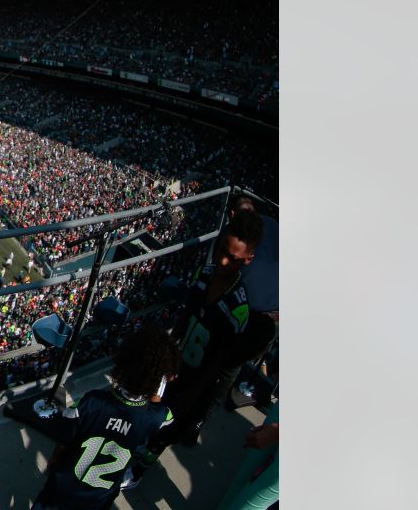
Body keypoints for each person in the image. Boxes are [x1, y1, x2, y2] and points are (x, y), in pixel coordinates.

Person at [129, 210, 275, 483]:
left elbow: (219, 363)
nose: (222, 261)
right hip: (176, 365)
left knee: (167, 429)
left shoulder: (237, 308)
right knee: (151, 415)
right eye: (222, 250)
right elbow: (184, 321)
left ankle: (139, 470)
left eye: (232, 258)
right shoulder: (202, 274)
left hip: (196, 380)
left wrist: (193, 397)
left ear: (248, 260)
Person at [32, 324, 179, 510]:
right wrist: (157, 379)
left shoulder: (91, 402)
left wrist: (54, 461)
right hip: (99, 499)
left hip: (63, 488)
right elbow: (163, 412)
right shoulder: (156, 417)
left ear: (123, 362)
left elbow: (64, 441)